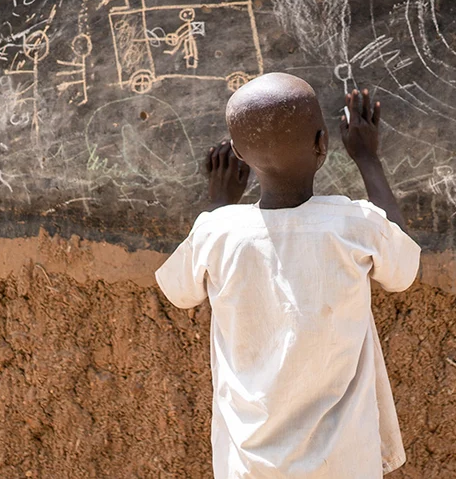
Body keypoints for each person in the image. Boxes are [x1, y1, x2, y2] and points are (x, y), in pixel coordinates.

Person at [155, 73, 421, 477]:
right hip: (343, 463)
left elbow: (179, 291)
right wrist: (367, 158)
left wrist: (219, 202)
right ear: (323, 144)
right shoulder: (354, 225)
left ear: (240, 157)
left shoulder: (217, 232)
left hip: (249, 466)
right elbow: (403, 269)